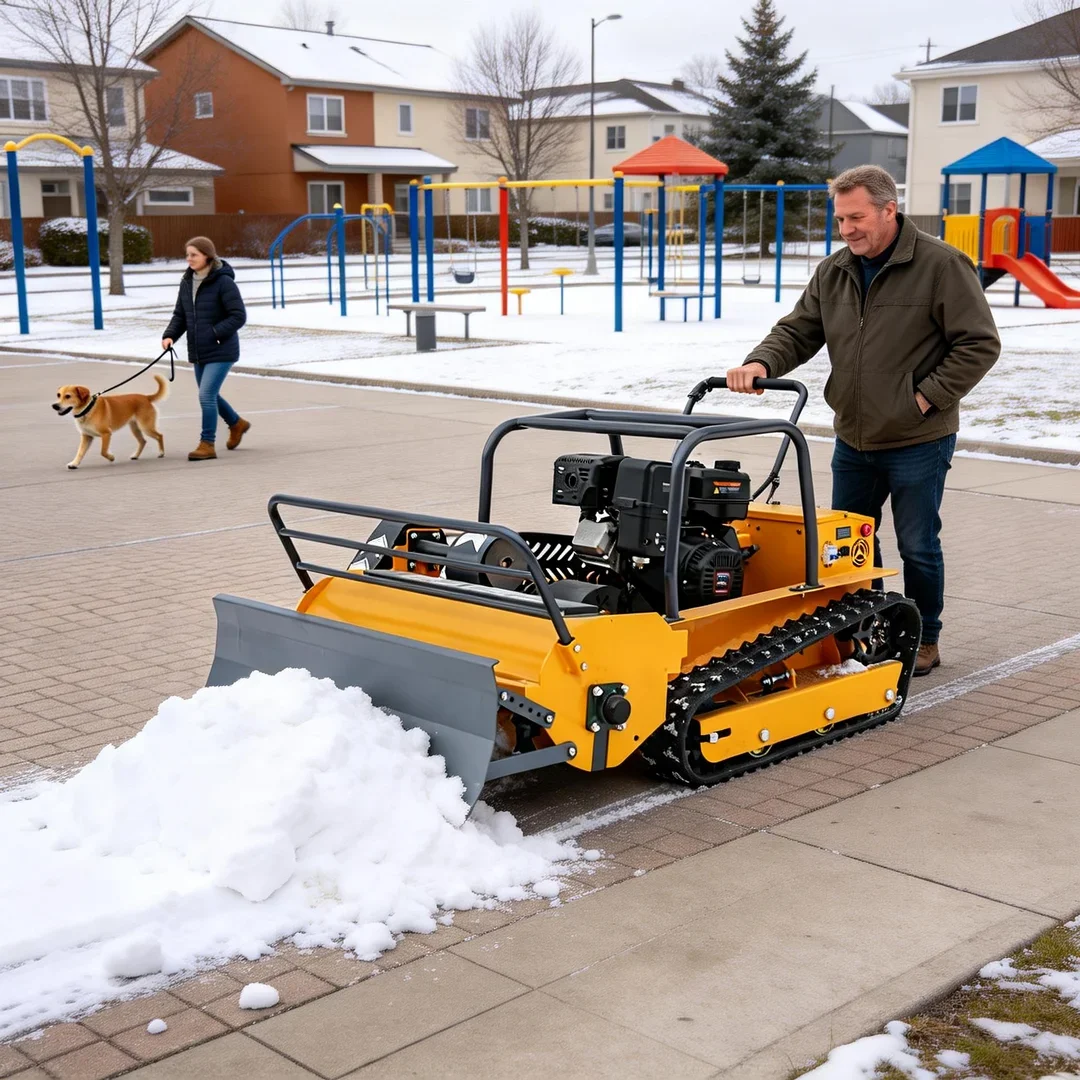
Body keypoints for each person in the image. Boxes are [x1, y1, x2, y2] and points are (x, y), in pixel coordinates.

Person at [727, 165, 1000, 676]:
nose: (846, 229)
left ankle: (925, 638)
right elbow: (798, 330)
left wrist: (924, 399)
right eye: (840, 219)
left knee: (918, 546)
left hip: (918, 437)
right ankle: (864, 630)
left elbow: (979, 344)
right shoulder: (835, 270)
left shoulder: (941, 265)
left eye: (856, 218)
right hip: (854, 438)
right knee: (850, 544)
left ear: (888, 210)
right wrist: (761, 362)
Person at [162, 236, 249, 461]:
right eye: (187, 254)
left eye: (194, 255)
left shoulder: (224, 282)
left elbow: (238, 316)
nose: (189, 259)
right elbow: (180, 315)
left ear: (207, 256)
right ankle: (236, 423)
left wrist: (214, 333)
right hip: (199, 350)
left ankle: (207, 444)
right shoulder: (187, 281)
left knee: (206, 395)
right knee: (209, 394)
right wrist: (170, 335)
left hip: (222, 349)